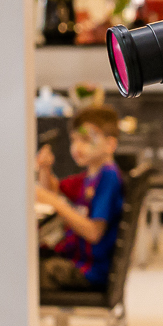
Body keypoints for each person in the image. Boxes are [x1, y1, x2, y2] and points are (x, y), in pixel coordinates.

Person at [34, 106, 125, 290]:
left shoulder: (108, 177)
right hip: (79, 261)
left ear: (110, 144)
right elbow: (53, 189)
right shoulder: (90, 176)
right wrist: (45, 168)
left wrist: (56, 204)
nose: (77, 147)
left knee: (28, 271)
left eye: (86, 140)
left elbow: (94, 232)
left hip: (90, 271)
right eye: (74, 140)